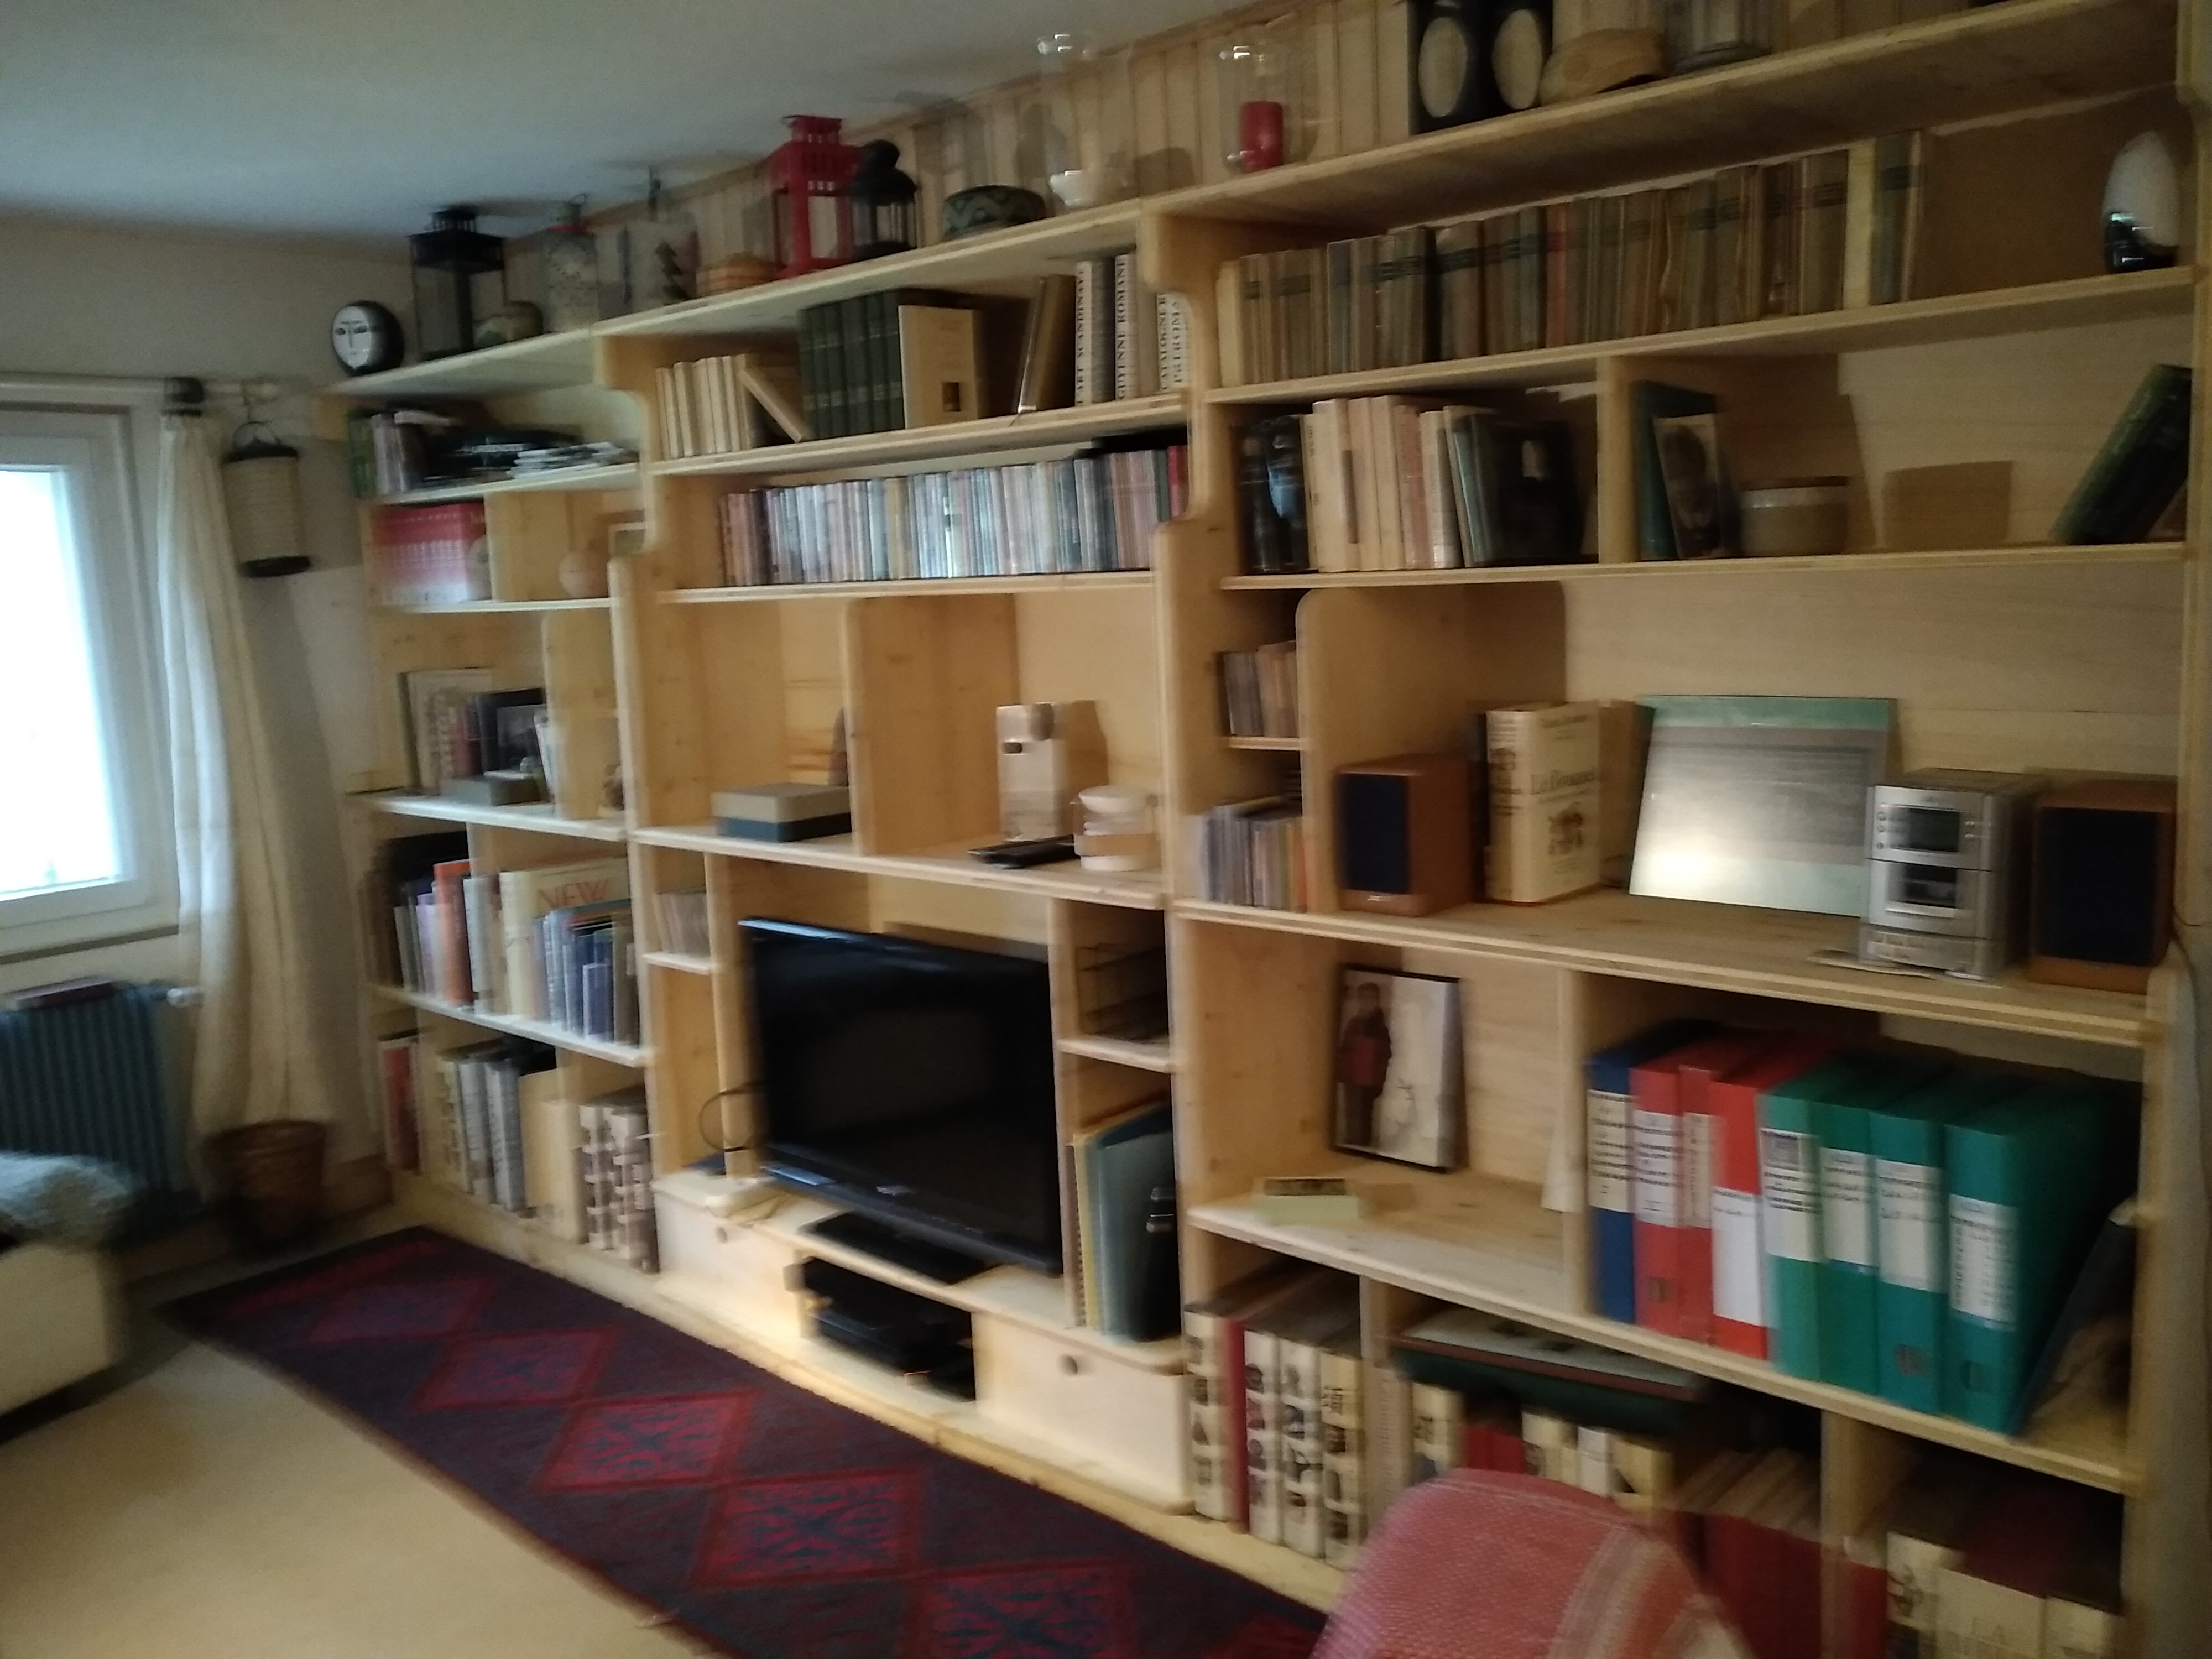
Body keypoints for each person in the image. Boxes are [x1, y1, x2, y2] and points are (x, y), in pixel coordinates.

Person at [1336, 979, 1392, 1149]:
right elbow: (1344, 1049)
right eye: (1362, 997)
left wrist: (1379, 1079)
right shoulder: (1354, 1023)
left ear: (1377, 1001)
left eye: (1370, 998)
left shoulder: (1380, 1026)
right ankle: (1352, 1144)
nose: (1366, 1002)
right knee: (1352, 1115)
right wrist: (1342, 1071)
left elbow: (1384, 1055)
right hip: (1352, 1077)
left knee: (1364, 1117)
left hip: (1369, 1079)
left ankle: (1361, 1146)